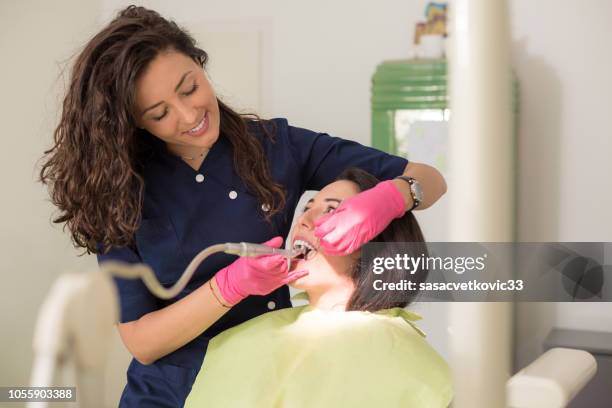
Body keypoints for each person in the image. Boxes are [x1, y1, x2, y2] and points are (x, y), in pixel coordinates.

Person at [38, 5, 447, 407]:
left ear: (200, 63)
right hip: (171, 395)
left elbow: (431, 178)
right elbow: (141, 342)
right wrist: (227, 288)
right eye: (159, 113)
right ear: (134, 123)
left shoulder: (276, 148)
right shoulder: (117, 192)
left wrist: (395, 195)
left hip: (271, 379)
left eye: (190, 87)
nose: (188, 115)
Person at [185, 168, 453, 407]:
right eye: (306, 209)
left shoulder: (402, 362)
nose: (304, 220)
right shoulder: (244, 340)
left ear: (372, 241)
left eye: (331, 210)